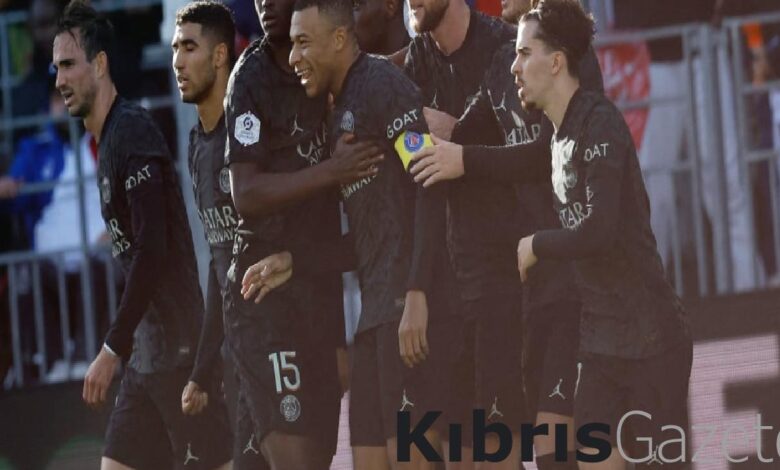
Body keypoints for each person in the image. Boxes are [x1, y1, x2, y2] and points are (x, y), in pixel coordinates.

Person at [412, 1, 693, 468]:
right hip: (577, 319)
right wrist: (392, 107)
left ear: (556, 62)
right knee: (556, 454)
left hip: (642, 330)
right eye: (516, 55)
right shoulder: (517, 85)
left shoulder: (595, 120)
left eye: (524, 55)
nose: (515, 65)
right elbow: (457, 136)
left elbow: (597, 226)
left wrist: (536, 243)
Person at [421, 0, 603, 466]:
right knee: (524, 447)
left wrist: (463, 158)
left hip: (578, 280)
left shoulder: (573, 57)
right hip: (531, 287)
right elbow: (462, 135)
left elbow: (548, 152)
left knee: (555, 449)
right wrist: (395, 114)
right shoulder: (506, 60)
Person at [285, 0, 466, 468]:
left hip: (411, 311)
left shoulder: (382, 85)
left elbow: (429, 182)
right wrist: (292, 261)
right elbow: (371, 232)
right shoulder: (338, 109)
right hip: (373, 320)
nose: (293, 57)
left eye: (303, 42)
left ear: (338, 39)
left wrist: (417, 292)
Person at [53, 2, 232, 468]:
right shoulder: (107, 141)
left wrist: (112, 347)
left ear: (100, 64)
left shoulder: (130, 130)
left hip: (178, 354)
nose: (59, 80)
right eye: (56, 69)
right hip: (145, 358)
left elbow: (153, 248)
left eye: (69, 65)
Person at [222, 0, 383, 467]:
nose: (266, 3)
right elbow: (245, 192)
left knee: (319, 454)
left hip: (319, 289)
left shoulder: (333, 66)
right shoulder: (249, 79)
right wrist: (332, 171)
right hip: (265, 295)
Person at [402, 0, 524, 465]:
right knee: (458, 452)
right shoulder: (417, 57)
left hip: (505, 276)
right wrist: (417, 286)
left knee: (502, 446)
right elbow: (413, 157)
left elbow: (530, 151)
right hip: (448, 284)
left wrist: (456, 136)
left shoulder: (504, 47)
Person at [170, 2, 269, 469]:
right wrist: (203, 369)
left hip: (279, 340)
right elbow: (219, 261)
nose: (177, 61)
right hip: (237, 356)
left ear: (220, 55)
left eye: (189, 47)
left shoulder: (249, 130)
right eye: (174, 49)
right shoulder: (195, 144)